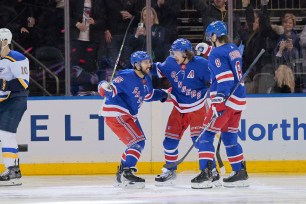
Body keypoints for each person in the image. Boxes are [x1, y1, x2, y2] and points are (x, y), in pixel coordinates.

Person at [98, 51, 168, 189]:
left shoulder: (146, 78)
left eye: (149, 61)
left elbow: (148, 95)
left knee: (137, 143)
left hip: (128, 115)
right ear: (136, 65)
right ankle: (126, 173)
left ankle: (122, 173)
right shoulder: (126, 76)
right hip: (117, 113)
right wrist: (103, 86)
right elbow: (107, 89)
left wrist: (164, 94)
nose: (149, 64)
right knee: (137, 142)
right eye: (145, 62)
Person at [191, 21, 248, 189]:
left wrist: (219, 100)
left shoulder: (217, 53)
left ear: (215, 36)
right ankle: (239, 173)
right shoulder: (233, 49)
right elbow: (224, 60)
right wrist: (208, 51)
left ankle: (207, 174)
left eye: (210, 38)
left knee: (205, 136)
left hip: (225, 101)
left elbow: (225, 78)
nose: (210, 40)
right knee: (230, 137)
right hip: (238, 100)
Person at [151, 38, 215, 186]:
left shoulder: (202, 64)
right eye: (172, 52)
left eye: (176, 52)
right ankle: (170, 170)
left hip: (198, 108)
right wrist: (140, 66)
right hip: (178, 108)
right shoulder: (170, 62)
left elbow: (216, 80)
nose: (174, 55)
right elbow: (154, 69)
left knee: (200, 142)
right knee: (169, 141)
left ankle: (210, 170)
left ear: (186, 53)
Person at [0, 28, 29, 186]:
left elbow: (23, 83)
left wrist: (2, 83)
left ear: (5, 41)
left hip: (16, 100)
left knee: (6, 133)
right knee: (5, 135)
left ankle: (12, 170)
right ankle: (13, 169)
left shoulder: (17, 58)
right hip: (3, 101)